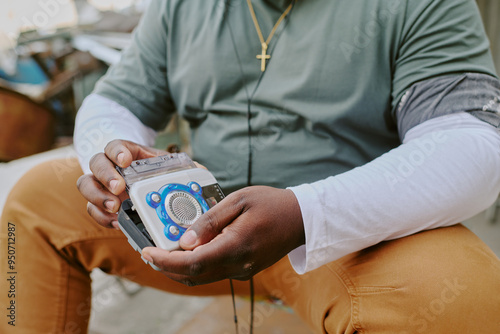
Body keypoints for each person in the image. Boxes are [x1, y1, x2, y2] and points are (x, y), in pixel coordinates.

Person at [2, 0, 500, 333]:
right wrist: (112, 154)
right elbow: (115, 98)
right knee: (34, 201)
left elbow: (471, 141)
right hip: (191, 226)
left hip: (347, 237)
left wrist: (305, 214)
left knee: (466, 299)